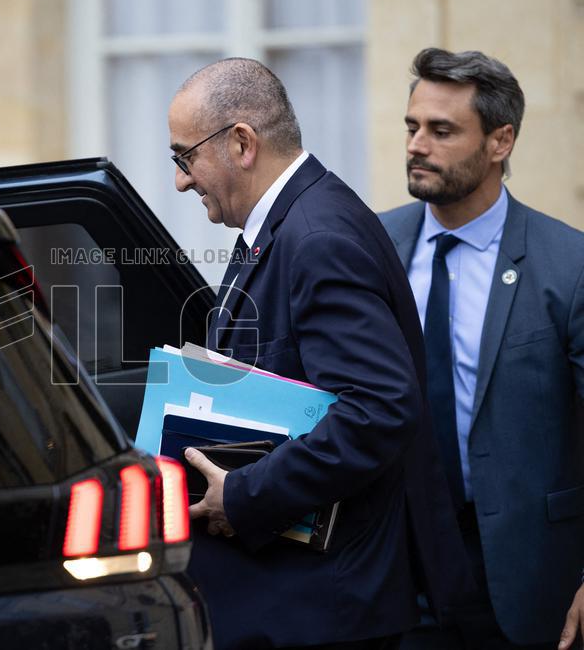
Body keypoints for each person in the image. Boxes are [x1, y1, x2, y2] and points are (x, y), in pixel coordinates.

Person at [170, 58, 474, 649]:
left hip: (329, 606)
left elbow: (379, 409)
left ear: (241, 143)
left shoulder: (317, 237)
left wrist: (245, 494)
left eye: (185, 157)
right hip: (298, 599)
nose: (182, 180)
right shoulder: (286, 222)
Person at [379, 47, 584, 649]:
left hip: (529, 580)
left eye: (442, 131)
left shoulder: (567, 267)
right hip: (399, 576)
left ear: (501, 142)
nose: (417, 145)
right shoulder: (374, 246)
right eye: (412, 127)